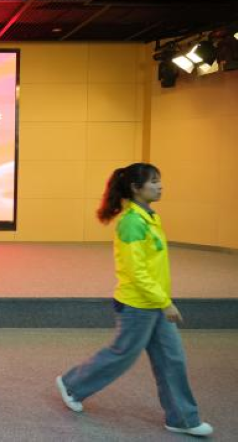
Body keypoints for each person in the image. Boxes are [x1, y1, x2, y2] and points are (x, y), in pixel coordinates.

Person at [55, 163, 213, 437]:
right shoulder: (131, 223)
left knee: (172, 359)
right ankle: (72, 385)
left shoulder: (149, 217)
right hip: (137, 305)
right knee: (123, 355)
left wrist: (162, 300)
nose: (160, 186)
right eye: (154, 181)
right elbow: (136, 271)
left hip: (155, 301)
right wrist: (165, 302)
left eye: (159, 180)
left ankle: (182, 419)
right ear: (135, 188)